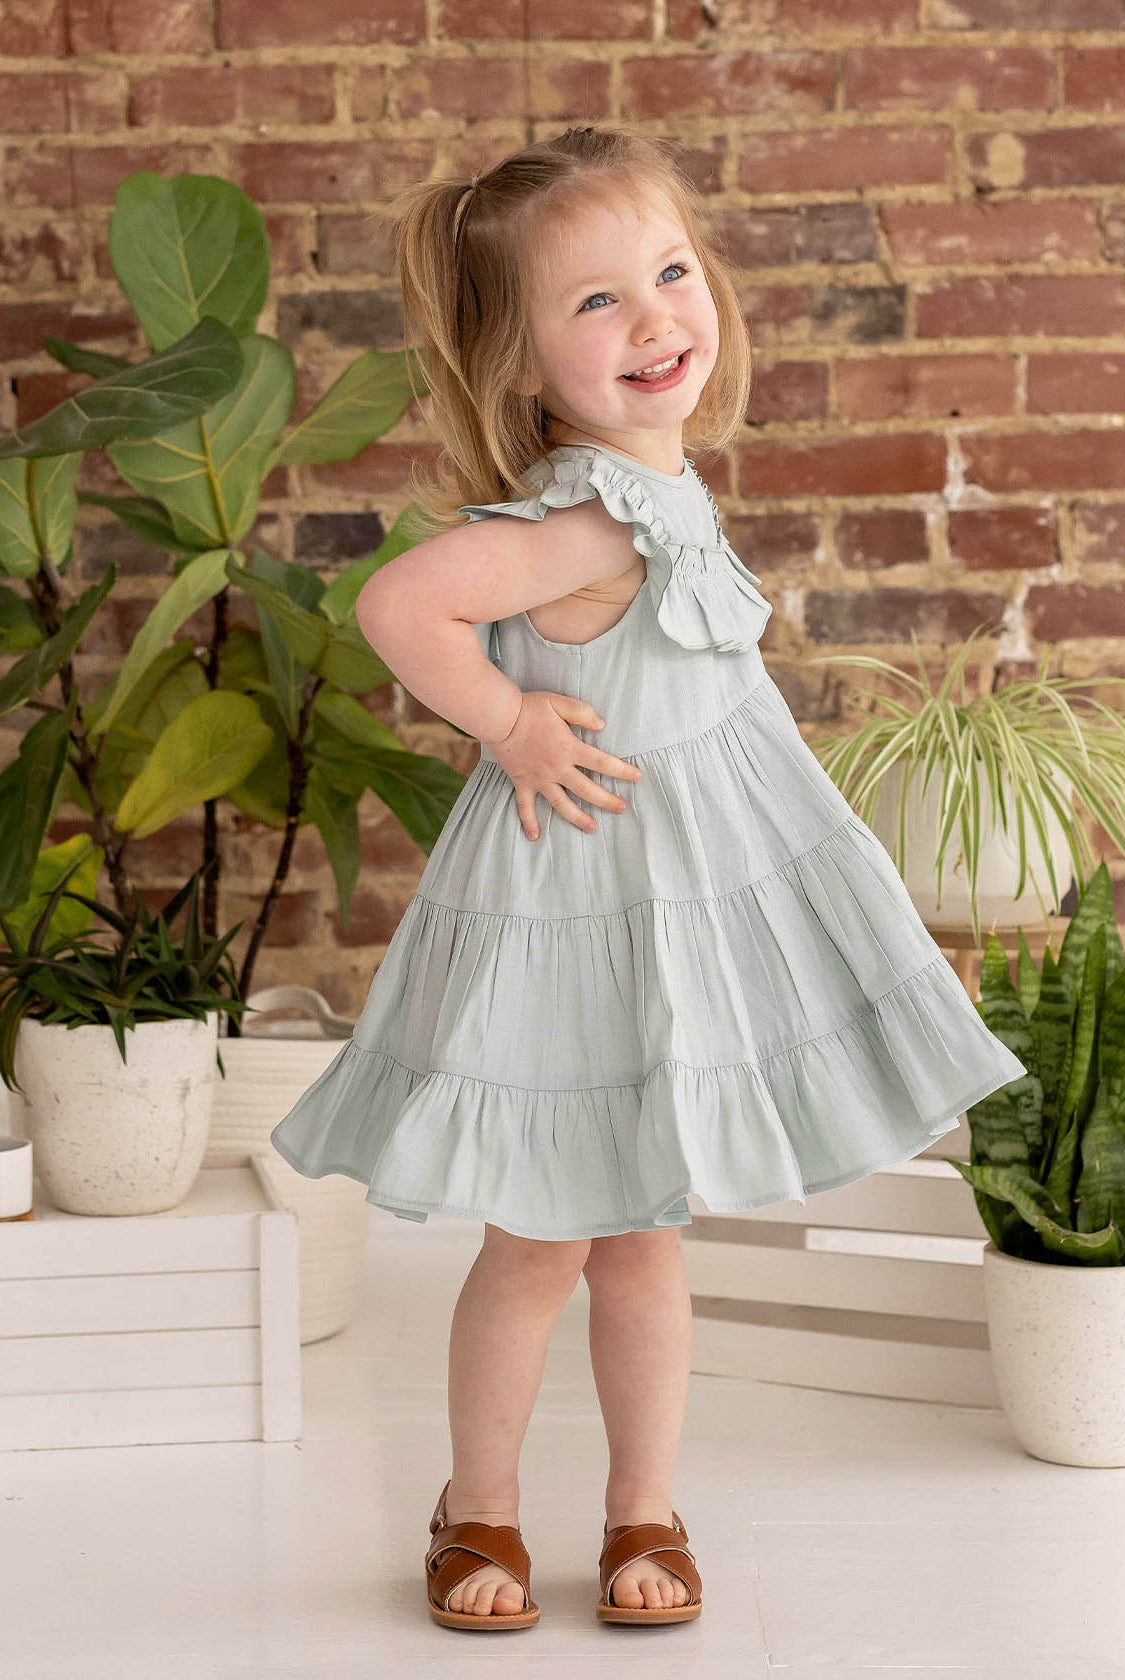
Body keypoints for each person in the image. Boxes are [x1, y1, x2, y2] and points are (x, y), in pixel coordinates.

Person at [269, 124, 1028, 1632]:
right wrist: (506, 722)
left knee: (645, 1227)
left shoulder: (658, 486)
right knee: (543, 1234)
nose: (655, 317)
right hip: (576, 910)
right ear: (523, 365)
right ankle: (473, 1504)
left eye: (669, 274)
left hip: (666, 912)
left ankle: (642, 1506)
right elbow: (401, 602)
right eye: (595, 303)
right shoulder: (584, 514)